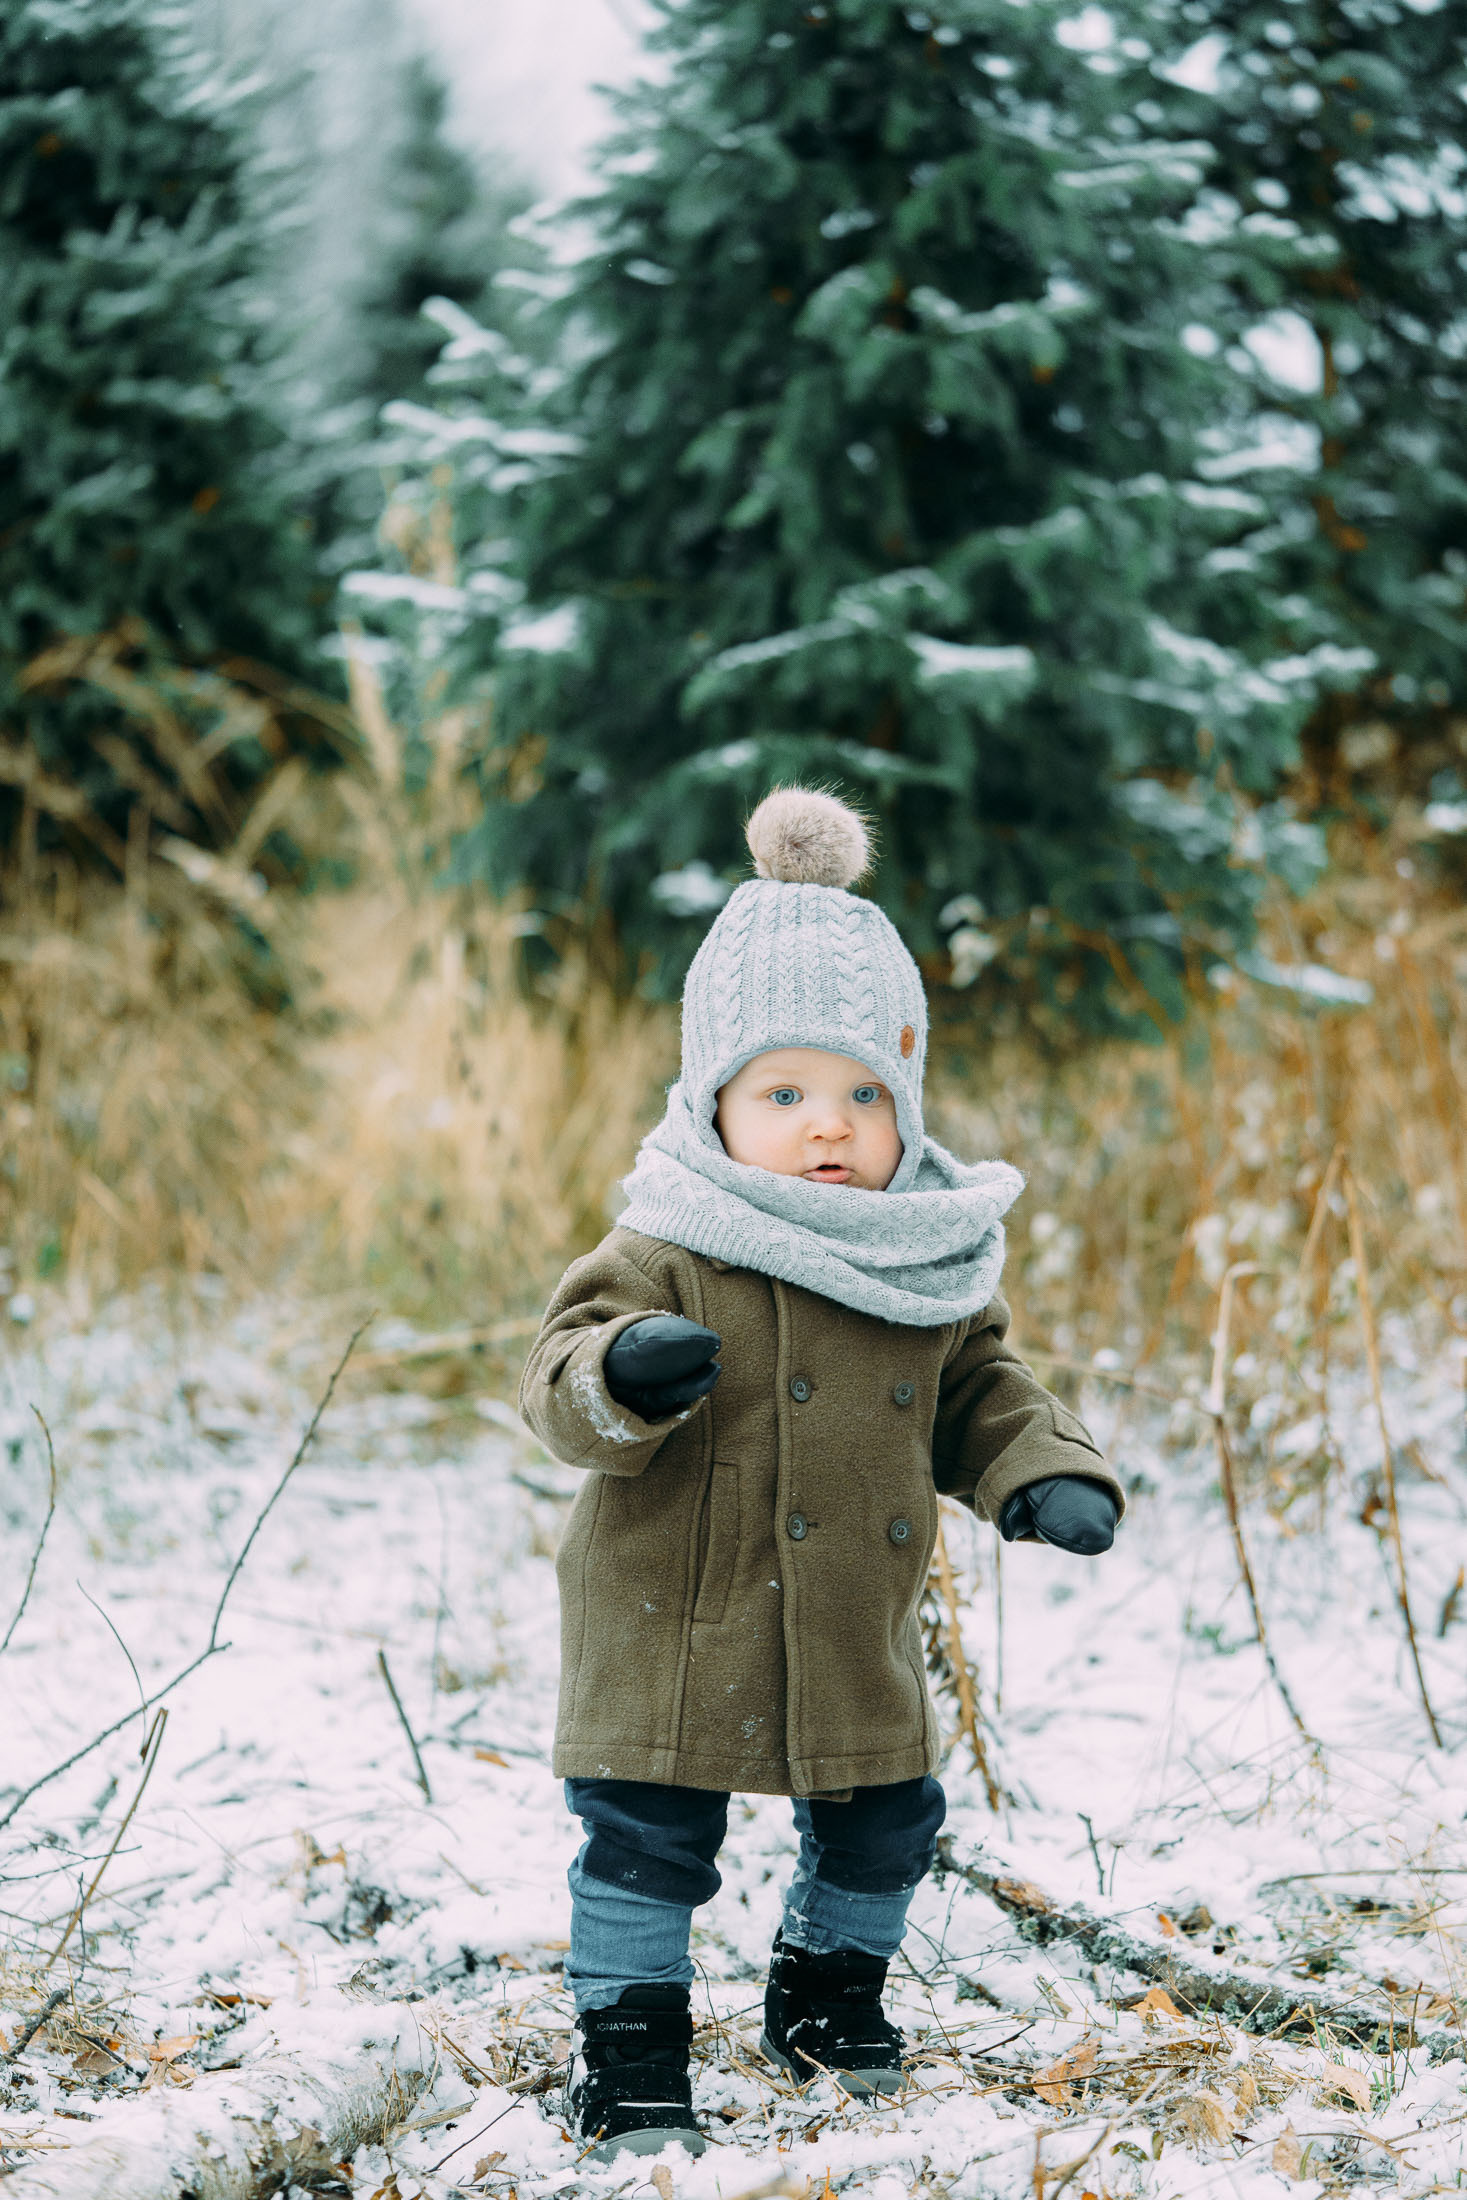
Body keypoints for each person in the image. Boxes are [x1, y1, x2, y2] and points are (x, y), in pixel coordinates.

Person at [519, 787, 1124, 2162]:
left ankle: (828, 2004)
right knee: (646, 1838)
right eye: (783, 1094)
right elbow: (554, 1378)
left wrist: (1042, 1471)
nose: (829, 1126)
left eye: (864, 1094)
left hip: (851, 1611)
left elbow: (978, 1388)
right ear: (713, 1101)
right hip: (673, 1611)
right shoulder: (668, 1240)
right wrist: (623, 1372)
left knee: (887, 1821)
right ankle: (631, 2058)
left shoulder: (921, 1258)